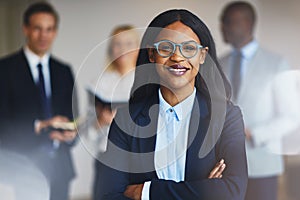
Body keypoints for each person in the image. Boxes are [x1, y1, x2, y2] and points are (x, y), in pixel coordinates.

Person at [97, 9, 248, 199]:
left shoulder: (226, 116)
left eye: (189, 48)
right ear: (152, 55)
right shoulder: (127, 119)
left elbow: (233, 191)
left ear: (202, 56)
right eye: (166, 48)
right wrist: (204, 191)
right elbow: (109, 195)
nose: (177, 58)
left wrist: (146, 192)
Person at [0, 2, 78, 200]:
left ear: (55, 32)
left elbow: (71, 115)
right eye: (37, 28)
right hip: (23, 165)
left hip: (60, 167)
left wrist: (70, 132)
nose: (44, 35)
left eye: (49, 29)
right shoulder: (5, 69)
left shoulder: (64, 71)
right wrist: (41, 125)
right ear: (25, 29)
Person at [219, 1, 294, 200]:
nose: (222, 28)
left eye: (227, 22)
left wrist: (254, 134)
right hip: (225, 166)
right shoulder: (218, 64)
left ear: (247, 24)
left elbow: (291, 116)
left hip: (262, 165)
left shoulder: (276, 64)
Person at [82, 25, 140, 200]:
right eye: (118, 44)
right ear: (110, 49)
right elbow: (88, 133)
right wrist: (101, 121)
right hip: (106, 156)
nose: (123, 49)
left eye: (129, 43)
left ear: (139, 47)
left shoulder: (149, 81)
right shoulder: (98, 83)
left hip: (139, 157)